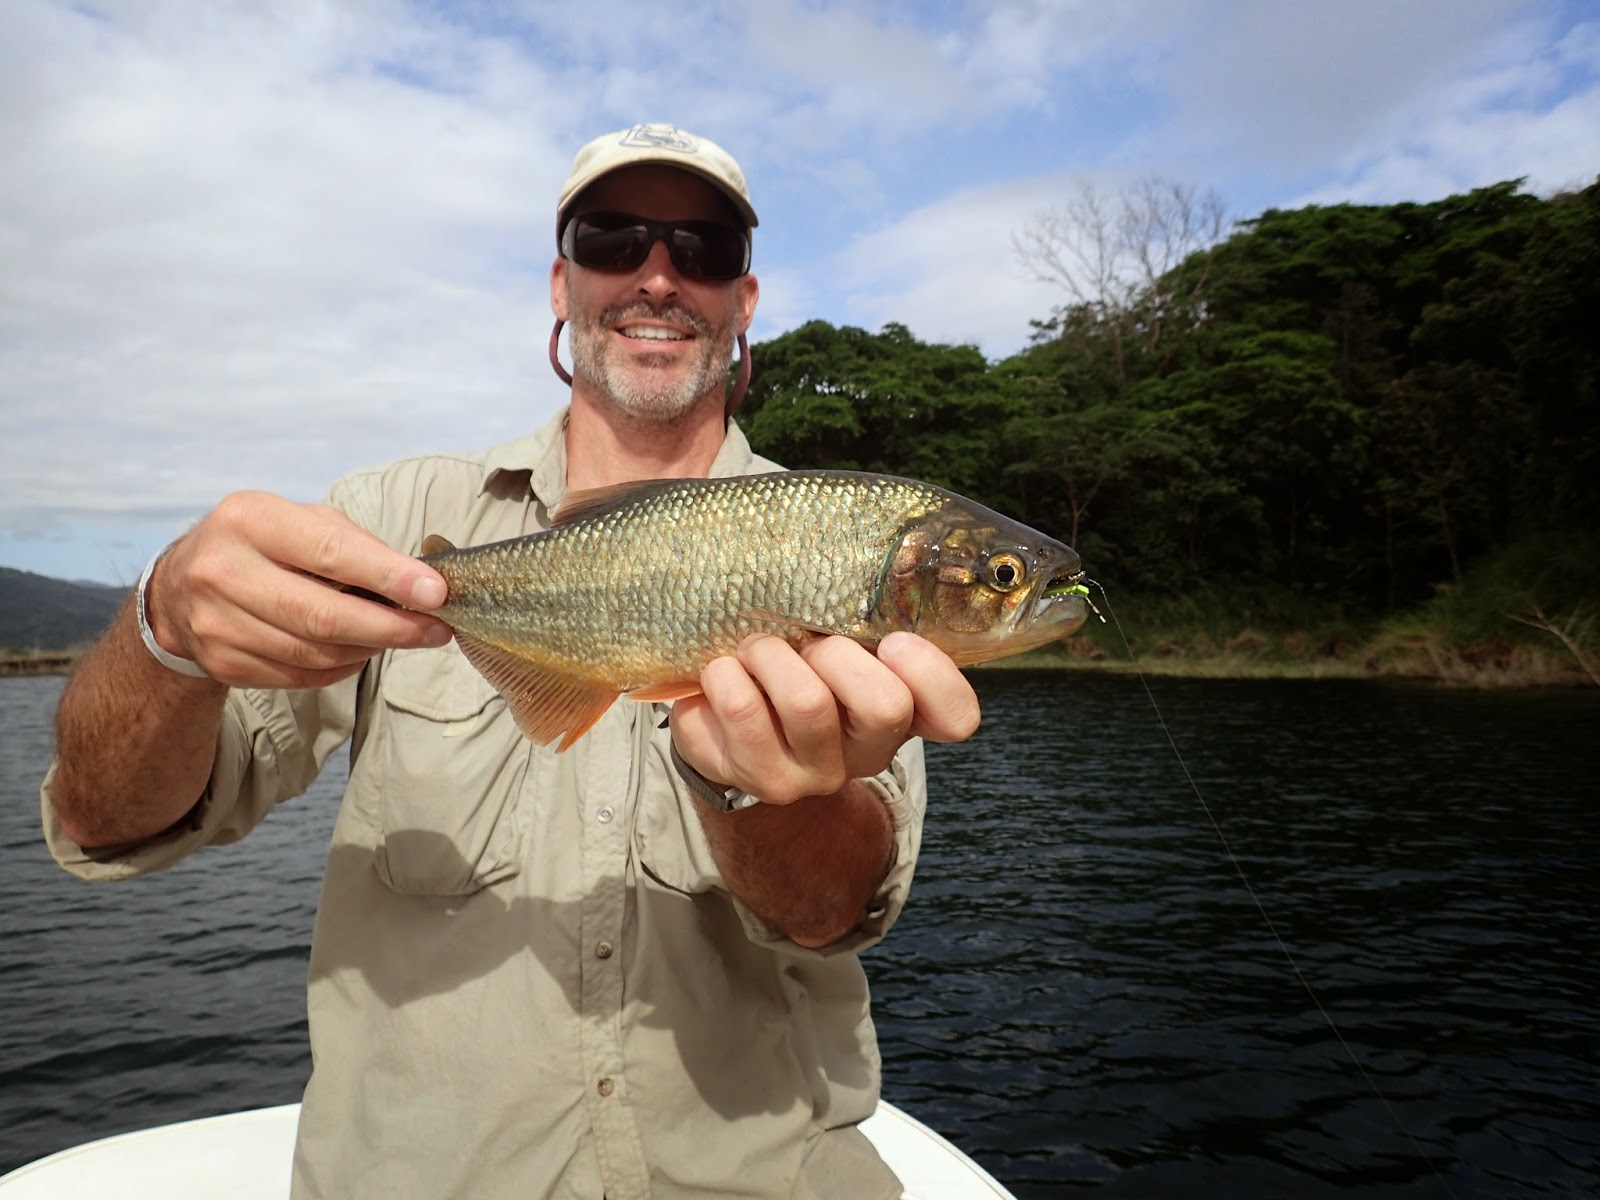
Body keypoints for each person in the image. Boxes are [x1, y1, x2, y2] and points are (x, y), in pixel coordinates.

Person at [42, 122, 981, 1199]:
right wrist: (166, 635)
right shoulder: (388, 522)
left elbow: (830, 916)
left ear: (745, 299)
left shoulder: (826, 535)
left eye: (703, 248)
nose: (659, 276)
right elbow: (103, 819)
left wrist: (754, 786)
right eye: (613, 238)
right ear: (560, 280)